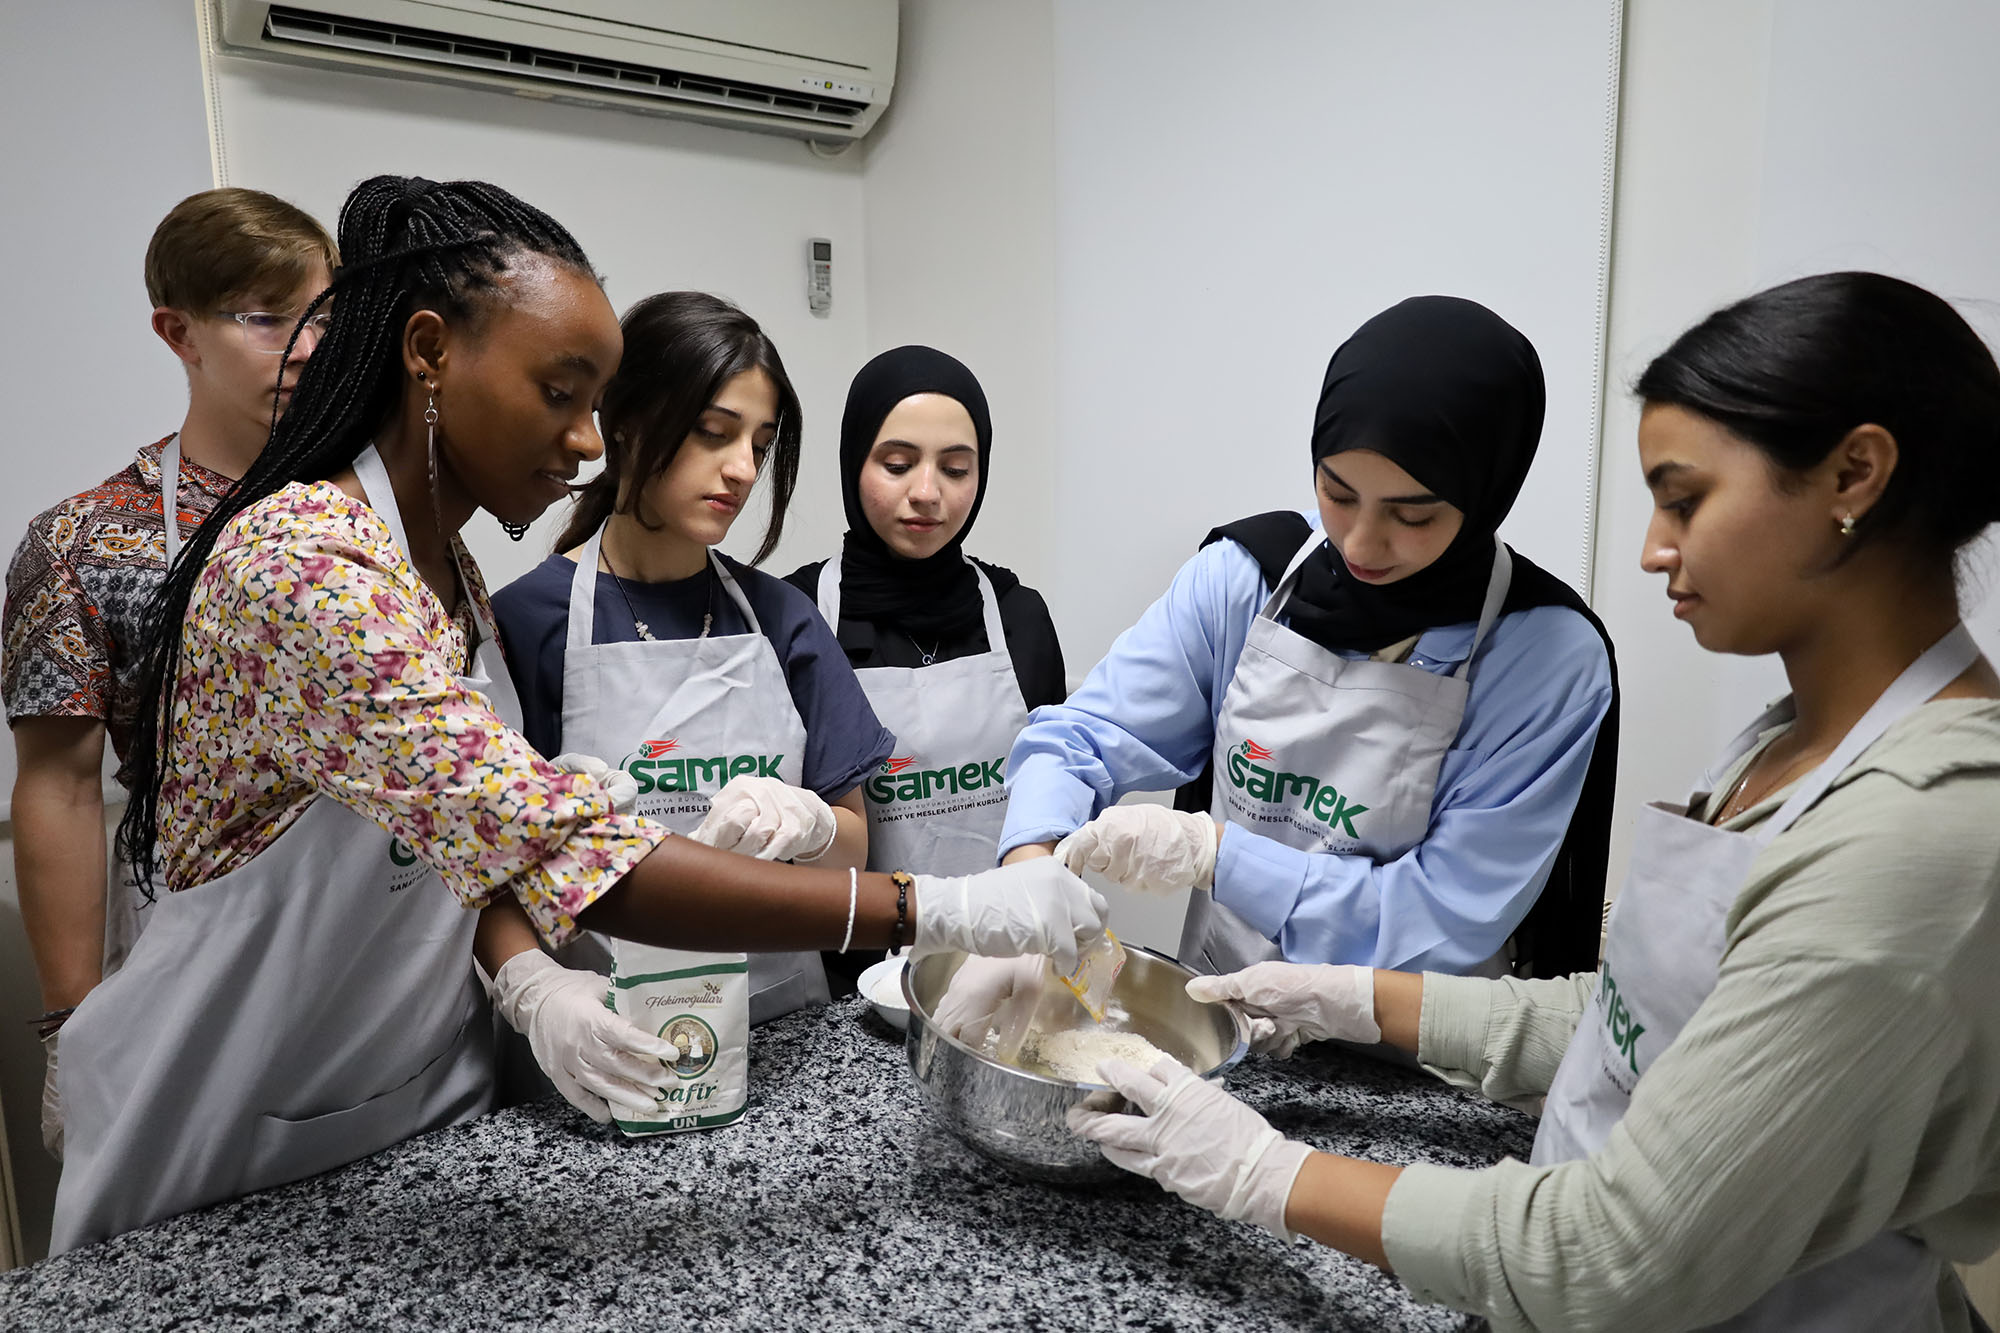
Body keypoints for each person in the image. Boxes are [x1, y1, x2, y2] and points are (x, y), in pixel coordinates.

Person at [48, 175, 1105, 1254]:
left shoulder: (443, 570)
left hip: (409, 1099)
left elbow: (463, 836)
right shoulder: (309, 569)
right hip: (224, 1118)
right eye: (561, 392)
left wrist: (518, 968)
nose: (592, 441)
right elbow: (578, 854)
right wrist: (935, 907)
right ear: (429, 352)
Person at [1071, 272, 2000, 1332]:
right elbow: (1637, 1023)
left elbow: (1613, 1251)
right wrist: (1348, 996)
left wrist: (1264, 1172)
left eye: (1684, 499)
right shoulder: (1790, 743)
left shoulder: (1920, 839)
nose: (1653, 547)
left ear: (1854, 473)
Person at [992, 296, 1618, 986]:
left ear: (1488, 493)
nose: (1360, 544)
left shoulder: (1547, 659)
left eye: (1412, 515)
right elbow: (1080, 739)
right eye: (1338, 493)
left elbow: (1441, 918)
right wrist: (1029, 870)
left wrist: (1222, 856)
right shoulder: (1246, 579)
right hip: (1222, 1006)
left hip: (1406, 1035)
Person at [3, 187, 336, 1160]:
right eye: (267, 319)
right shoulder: (81, 542)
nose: (306, 349)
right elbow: (59, 787)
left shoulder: (373, 513)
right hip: (193, 934)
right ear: (178, 332)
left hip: (382, 918)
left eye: (323, 319)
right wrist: (73, 1027)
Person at [494, 291, 891, 1023]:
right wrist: (538, 994)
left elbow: (855, 850)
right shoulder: (526, 623)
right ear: (626, 421)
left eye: (760, 445)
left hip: (781, 1021)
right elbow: (489, 869)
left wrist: (813, 827)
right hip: (610, 1028)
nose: (742, 469)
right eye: (714, 432)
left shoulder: (782, 619)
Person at [784, 346, 1065, 993]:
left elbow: (1054, 804)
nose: (927, 493)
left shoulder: (1018, 616)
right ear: (854, 462)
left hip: (1003, 973)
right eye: (897, 464)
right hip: (845, 987)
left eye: (956, 468)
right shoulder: (799, 613)